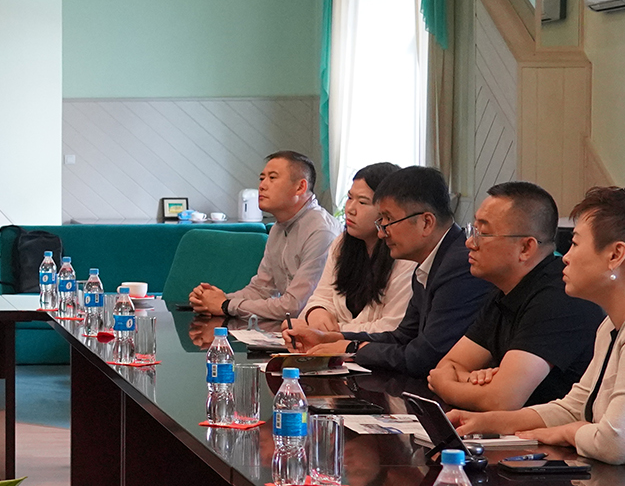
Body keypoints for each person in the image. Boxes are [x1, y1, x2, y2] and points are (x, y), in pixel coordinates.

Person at [451, 186, 625, 486]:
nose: (565, 258)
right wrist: (488, 422)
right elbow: (575, 407)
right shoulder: (616, 322)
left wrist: (570, 433)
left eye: (574, 244)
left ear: (615, 255)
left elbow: (620, 443)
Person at [284, 165, 491, 378]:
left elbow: (423, 356)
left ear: (426, 222)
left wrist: (352, 348)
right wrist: (331, 338)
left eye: (389, 220)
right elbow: (401, 336)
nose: (382, 233)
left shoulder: (460, 267)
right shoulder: (430, 261)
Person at [428, 181, 604, 410]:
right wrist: (473, 380)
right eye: (473, 230)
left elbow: (501, 400)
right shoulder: (504, 291)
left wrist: (446, 385)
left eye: (483, 233)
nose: (470, 243)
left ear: (525, 248)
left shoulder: (559, 297)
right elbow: (448, 365)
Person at [188, 151, 336, 321]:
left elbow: (295, 307)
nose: (262, 186)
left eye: (272, 178)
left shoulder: (321, 231)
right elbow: (261, 290)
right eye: (262, 178)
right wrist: (212, 300)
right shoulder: (279, 227)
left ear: (300, 187)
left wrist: (225, 305)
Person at [296, 161, 414, 336]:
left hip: (376, 349)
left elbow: (390, 327)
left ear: (387, 210)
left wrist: (333, 332)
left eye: (363, 202)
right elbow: (322, 296)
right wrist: (316, 312)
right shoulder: (342, 243)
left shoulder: (405, 255)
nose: (350, 209)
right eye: (350, 198)